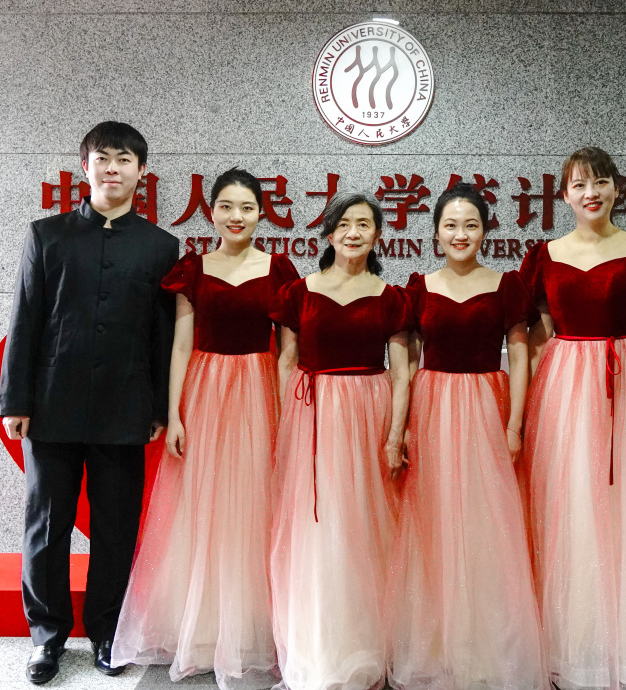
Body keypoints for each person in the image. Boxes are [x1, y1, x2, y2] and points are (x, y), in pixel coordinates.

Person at [0, 121, 179, 684]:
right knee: (46, 525)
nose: (113, 168)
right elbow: (24, 320)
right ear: (86, 167)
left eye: (124, 159)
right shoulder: (46, 235)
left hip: (124, 408)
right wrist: (15, 400)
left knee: (116, 526)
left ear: (142, 171)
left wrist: (158, 408)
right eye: (103, 158)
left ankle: (107, 632)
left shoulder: (160, 246)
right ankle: (46, 637)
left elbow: (161, 336)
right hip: (51, 404)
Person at [111, 168, 299, 688]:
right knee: (203, 506)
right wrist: (175, 413)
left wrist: (286, 414)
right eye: (226, 207)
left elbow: (288, 351)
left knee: (254, 506)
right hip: (206, 392)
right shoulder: (192, 269)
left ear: (261, 214)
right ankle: (201, 629)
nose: (236, 217)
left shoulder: (278, 269)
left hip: (258, 391)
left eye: (247, 208)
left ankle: (254, 627)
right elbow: (180, 345)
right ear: (211, 211)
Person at [518, 147, 626, 690]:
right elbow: (539, 336)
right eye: (578, 185)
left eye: (600, 182)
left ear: (616, 188)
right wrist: (531, 406)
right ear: (564, 195)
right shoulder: (545, 255)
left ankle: (622, 647)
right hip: (564, 386)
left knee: (621, 509)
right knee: (569, 505)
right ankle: (572, 645)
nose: (590, 193)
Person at [386, 183, 546, 690]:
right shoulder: (419, 286)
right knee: (433, 521)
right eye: (451, 225)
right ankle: (437, 645)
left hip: (486, 407)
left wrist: (515, 423)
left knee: (487, 522)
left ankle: (486, 644)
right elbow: (407, 362)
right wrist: (402, 426)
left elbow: (519, 355)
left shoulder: (506, 286)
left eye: (471, 225)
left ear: (485, 231)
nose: (461, 234)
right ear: (435, 232)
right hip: (432, 408)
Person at [269, 192, 411, 690]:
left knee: (367, 528)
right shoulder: (298, 292)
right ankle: (319, 646)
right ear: (329, 233)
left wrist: (394, 436)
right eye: (345, 223)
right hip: (313, 414)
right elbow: (287, 362)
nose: (354, 232)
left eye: (364, 224)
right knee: (318, 529)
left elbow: (401, 374)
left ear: (378, 235)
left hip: (369, 413)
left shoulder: (392, 297)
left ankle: (369, 644)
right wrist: (289, 426)